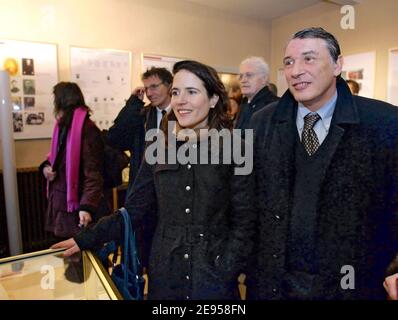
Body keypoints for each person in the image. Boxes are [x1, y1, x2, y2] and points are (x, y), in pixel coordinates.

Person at [51, 60, 256, 300]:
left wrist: (227, 265)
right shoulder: (158, 145)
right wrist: (88, 237)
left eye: (192, 92)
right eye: (176, 92)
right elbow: (134, 208)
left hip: (213, 274)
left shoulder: (238, 147)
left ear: (212, 99)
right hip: (166, 270)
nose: (180, 100)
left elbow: (246, 219)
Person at [248, 27, 398, 300]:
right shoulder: (262, 123)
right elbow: (246, 201)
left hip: (351, 283)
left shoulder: (385, 123)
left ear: (338, 64)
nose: (295, 71)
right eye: (289, 62)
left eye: (309, 59)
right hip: (276, 282)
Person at [106, 67, 173, 272]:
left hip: (171, 195)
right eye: (146, 88)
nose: (150, 92)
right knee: (145, 252)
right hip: (144, 194)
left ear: (169, 85)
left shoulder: (183, 114)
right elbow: (114, 138)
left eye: (154, 86)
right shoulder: (142, 116)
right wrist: (132, 103)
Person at [39, 82, 109, 239]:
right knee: (68, 256)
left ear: (62, 101)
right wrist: (45, 167)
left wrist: (86, 207)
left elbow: (93, 173)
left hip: (77, 209)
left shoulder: (87, 129)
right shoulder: (64, 127)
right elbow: (55, 158)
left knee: (82, 257)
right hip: (62, 203)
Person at [235, 56, 279, 131]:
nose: (243, 80)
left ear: (264, 79)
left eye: (249, 75)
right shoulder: (245, 102)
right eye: (241, 76)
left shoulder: (275, 105)